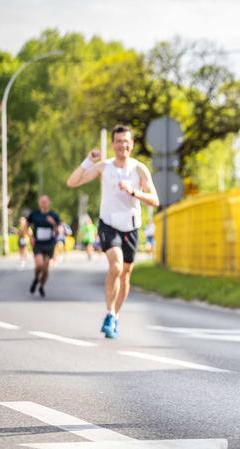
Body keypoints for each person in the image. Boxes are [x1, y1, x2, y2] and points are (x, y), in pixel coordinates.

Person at [66, 125, 160, 338]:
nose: (122, 145)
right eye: (118, 141)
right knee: (116, 267)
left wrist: (134, 191)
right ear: (112, 144)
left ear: (132, 144)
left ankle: (115, 316)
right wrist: (88, 161)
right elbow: (72, 182)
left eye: (126, 141)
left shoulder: (139, 169)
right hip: (108, 224)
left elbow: (155, 200)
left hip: (132, 226)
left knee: (126, 274)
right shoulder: (104, 167)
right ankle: (109, 312)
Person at [26, 195, 60, 297]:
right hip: (38, 243)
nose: (44, 203)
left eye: (46, 201)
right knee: (39, 265)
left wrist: (53, 224)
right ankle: (36, 278)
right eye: (42, 201)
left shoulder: (53, 215)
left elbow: (58, 232)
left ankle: (41, 286)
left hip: (49, 243)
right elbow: (26, 227)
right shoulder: (34, 214)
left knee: (45, 268)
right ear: (39, 202)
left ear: (49, 202)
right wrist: (31, 236)